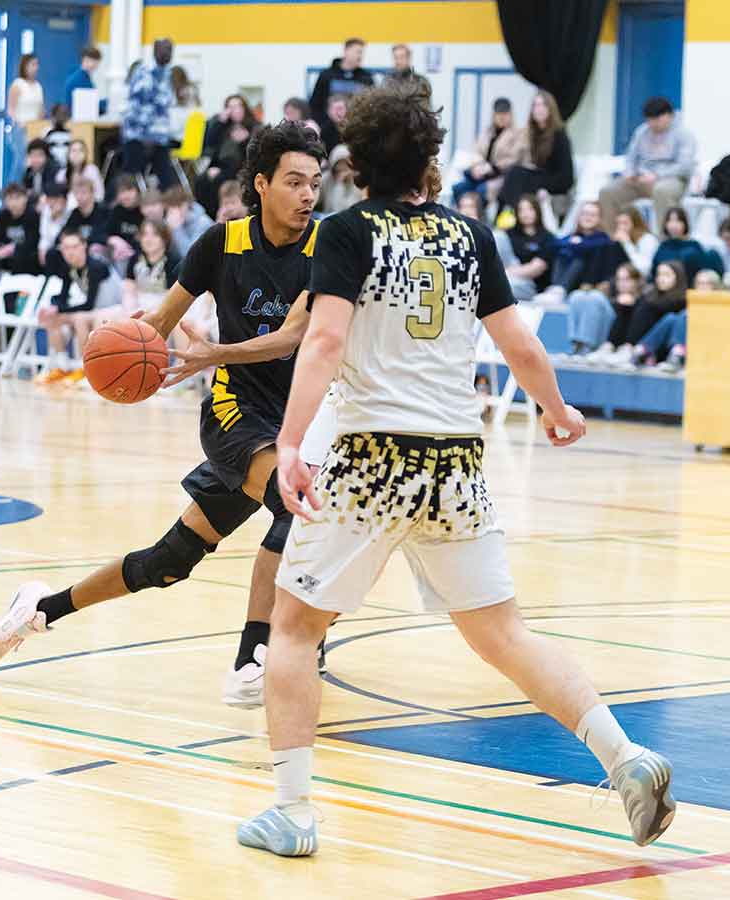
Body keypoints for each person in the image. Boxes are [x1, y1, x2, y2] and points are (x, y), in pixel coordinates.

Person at [228, 80, 674, 858]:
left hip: (371, 455)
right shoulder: (471, 236)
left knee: (293, 627)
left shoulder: (345, 232)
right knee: (503, 634)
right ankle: (624, 756)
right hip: (456, 461)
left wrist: (292, 444)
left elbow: (324, 342)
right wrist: (557, 410)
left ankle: (293, 812)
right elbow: (520, 345)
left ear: (355, 162)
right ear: (429, 157)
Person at [0, 120, 330, 710]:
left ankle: (40, 608)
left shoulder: (326, 247)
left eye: (315, 183)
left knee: (169, 563)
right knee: (296, 509)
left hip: (298, 420)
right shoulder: (220, 245)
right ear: (262, 184)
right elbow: (160, 325)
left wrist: (214, 352)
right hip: (235, 414)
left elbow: (291, 337)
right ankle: (253, 658)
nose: (308, 195)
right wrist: (124, 360)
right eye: (295, 182)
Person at [34, 229, 121, 385]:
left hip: (114, 309)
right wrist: (52, 308)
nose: (70, 252)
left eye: (74, 247)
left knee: (79, 319)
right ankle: (62, 366)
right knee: (52, 319)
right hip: (95, 311)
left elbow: (89, 304)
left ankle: (85, 368)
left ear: (84, 246)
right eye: (66, 248)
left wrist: (59, 310)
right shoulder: (70, 267)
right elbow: (63, 297)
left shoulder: (96, 266)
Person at [599, 97, 697, 233]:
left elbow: (684, 166)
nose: (653, 124)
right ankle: (614, 238)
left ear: (669, 116)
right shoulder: (642, 132)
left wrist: (657, 175)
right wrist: (630, 172)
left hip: (671, 179)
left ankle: (665, 239)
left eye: (657, 120)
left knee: (662, 191)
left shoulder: (684, 135)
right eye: (649, 120)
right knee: (608, 192)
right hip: (641, 179)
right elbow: (631, 157)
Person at [626, 268, 720, 374]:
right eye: (699, 283)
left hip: (705, 345)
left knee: (684, 314)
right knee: (670, 318)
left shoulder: (720, 305)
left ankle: (676, 355)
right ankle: (643, 350)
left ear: (715, 286)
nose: (702, 287)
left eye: (707, 284)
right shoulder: (692, 301)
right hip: (684, 342)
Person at [599, 260, 688, 366]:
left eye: (666, 275)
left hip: (665, 348)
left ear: (678, 277)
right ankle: (610, 346)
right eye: (659, 274)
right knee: (627, 307)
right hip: (645, 343)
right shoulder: (652, 296)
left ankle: (631, 349)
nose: (661, 279)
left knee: (669, 317)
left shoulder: (684, 300)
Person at [497, 91, 574, 213]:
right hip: (541, 176)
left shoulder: (559, 134)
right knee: (514, 173)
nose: (539, 109)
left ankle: (509, 214)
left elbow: (567, 177)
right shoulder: (535, 133)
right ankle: (506, 215)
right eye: (535, 105)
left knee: (516, 175)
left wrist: (545, 187)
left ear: (550, 109)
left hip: (557, 181)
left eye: (543, 105)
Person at [539, 201, 626, 302]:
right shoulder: (574, 236)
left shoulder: (603, 238)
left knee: (579, 257)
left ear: (599, 219)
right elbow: (554, 244)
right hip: (562, 279)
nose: (588, 218)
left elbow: (595, 245)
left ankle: (560, 291)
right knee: (563, 253)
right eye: (585, 214)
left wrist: (577, 244)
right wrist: (573, 244)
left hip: (587, 282)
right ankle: (555, 288)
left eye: (593, 215)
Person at [121, 38, 177, 191]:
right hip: (139, 135)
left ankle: (170, 203)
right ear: (154, 51)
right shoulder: (144, 73)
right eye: (163, 49)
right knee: (131, 178)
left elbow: (165, 105)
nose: (166, 53)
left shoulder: (167, 73)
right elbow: (137, 106)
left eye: (169, 50)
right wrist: (145, 135)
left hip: (159, 136)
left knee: (166, 178)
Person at [197, 95, 260, 218]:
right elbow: (209, 145)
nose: (234, 110)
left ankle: (218, 214)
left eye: (238, 106)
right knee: (202, 180)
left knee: (219, 180)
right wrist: (218, 124)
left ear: (245, 108)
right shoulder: (222, 126)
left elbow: (255, 154)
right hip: (221, 164)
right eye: (230, 107)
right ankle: (207, 216)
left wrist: (245, 141)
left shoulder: (254, 126)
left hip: (242, 166)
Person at [452, 98, 520, 207]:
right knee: (458, 188)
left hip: (500, 177)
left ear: (510, 115)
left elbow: (514, 159)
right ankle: (459, 215)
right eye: (498, 113)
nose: (501, 117)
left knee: (481, 191)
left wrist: (491, 167)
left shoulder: (517, 134)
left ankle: (478, 216)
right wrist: (478, 166)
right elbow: (476, 151)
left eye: (505, 114)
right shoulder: (487, 132)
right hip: (481, 175)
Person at [570, 263, 644, 358]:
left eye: (627, 279)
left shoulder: (643, 300)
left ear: (636, 281)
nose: (622, 283)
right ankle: (577, 344)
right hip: (600, 330)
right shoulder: (610, 292)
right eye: (619, 279)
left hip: (611, 341)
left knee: (596, 296)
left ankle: (586, 346)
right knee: (576, 295)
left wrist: (629, 303)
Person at [495, 194, 555, 302]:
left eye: (529, 209)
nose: (525, 214)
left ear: (537, 211)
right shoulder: (509, 234)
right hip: (507, 273)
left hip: (530, 284)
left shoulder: (547, 237)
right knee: (498, 236)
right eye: (521, 210)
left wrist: (504, 274)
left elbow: (536, 269)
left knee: (505, 286)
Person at [122, 219, 181, 316]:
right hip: (138, 304)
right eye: (145, 234)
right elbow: (129, 291)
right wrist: (130, 310)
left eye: (155, 235)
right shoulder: (135, 259)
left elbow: (172, 298)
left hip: (163, 307)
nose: (148, 239)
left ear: (164, 238)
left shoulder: (174, 262)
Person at [308, 38, 373, 127]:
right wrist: (323, 125)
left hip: (356, 127)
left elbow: (371, 105)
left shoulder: (366, 78)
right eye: (358, 52)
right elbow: (315, 104)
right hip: (329, 128)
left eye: (362, 53)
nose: (360, 56)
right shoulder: (326, 75)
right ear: (346, 51)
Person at [651, 206, 722, 284]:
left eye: (678, 221)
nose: (674, 225)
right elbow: (654, 272)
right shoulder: (662, 247)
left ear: (685, 223)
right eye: (670, 221)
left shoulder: (693, 246)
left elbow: (705, 271)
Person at [7, 54, 44, 183]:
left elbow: (40, 109)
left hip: (35, 128)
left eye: (37, 64)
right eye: (32, 64)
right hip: (20, 128)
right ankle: (13, 187)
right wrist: (18, 122)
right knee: (21, 161)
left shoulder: (38, 86)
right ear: (25, 66)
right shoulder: (18, 85)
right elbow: (11, 110)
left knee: (33, 162)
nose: (35, 67)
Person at [0, 182, 40, 275]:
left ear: (25, 198)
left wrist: (10, 249)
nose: (14, 203)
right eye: (10, 198)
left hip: (26, 256)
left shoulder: (32, 215)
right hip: (6, 254)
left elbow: (32, 243)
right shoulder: (3, 215)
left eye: (17, 198)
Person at [57, 177, 108, 256]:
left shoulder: (103, 211)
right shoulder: (75, 213)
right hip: (77, 248)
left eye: (83, 193)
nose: (79, 196)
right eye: (76, 193)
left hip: (96, 250)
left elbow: (102, 236)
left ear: (92, 193)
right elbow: (63, 233)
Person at [164, 185, 213, 257]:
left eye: (179, 206)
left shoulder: (203, 223)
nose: (176, 211)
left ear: (188, 204)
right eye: (172, 208)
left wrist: (177, 229)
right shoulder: (169, 221)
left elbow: (190, 254)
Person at [106, 175, 144, 265]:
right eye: (122, 192)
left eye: (129, 190)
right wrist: (112, 239)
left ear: (137, 191)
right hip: (119, 253)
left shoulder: (144, 210)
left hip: (140, 255)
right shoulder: (117, 211)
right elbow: (101, 233)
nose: (126, 196)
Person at [612, 206, 659, 278]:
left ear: (635, 223)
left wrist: (627, 244)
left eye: (625, 223)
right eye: (618, 223)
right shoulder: (620, 240)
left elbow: (644, 269)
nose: (621, 227)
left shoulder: (648, 239)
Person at [317, 144, 361, 215]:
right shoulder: (326, 178)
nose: (341, 167)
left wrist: (339, 184)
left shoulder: (356, 182)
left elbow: (340, 209)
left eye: (345, 164)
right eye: (339, 163)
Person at [56, 138, 104, 203]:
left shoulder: (92, 170)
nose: (77, 153)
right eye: (73, 150)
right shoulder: (62, 173)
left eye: (81, 150)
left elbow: (100, 194)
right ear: (68, 154)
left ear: (85, 154)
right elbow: (58, 196)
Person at [64, 47, 102, 115]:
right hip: (77, 118)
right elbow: (91, 104)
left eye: (97, 62)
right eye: (94, 61)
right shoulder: (80, 79)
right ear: (85, 60)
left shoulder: (81, 76)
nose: (95, 65)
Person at [38, 184, 69, 268]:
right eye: (48, 199)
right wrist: (42, 249)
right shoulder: (47, 210)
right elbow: (44, 235)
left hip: (66, 246)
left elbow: (62, 237)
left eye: (53, 199)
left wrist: (56, 218)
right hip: (51, 248)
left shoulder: (71, 211)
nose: (49, 202)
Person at [22, 138, 59, 205]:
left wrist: (32, 195)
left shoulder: (54, 171)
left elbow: (48, 193)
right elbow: (24, 194)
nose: (36, 159)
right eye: (33, 155)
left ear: (47, 157)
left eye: (40, 155)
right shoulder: (28, 173)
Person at [44, 105, 72, 170]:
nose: (60, 118)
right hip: (51, 165)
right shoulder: (47, 132)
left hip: (66, 166)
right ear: (52, 117)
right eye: (58, 115)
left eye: (63, 115)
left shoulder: (69, 134)